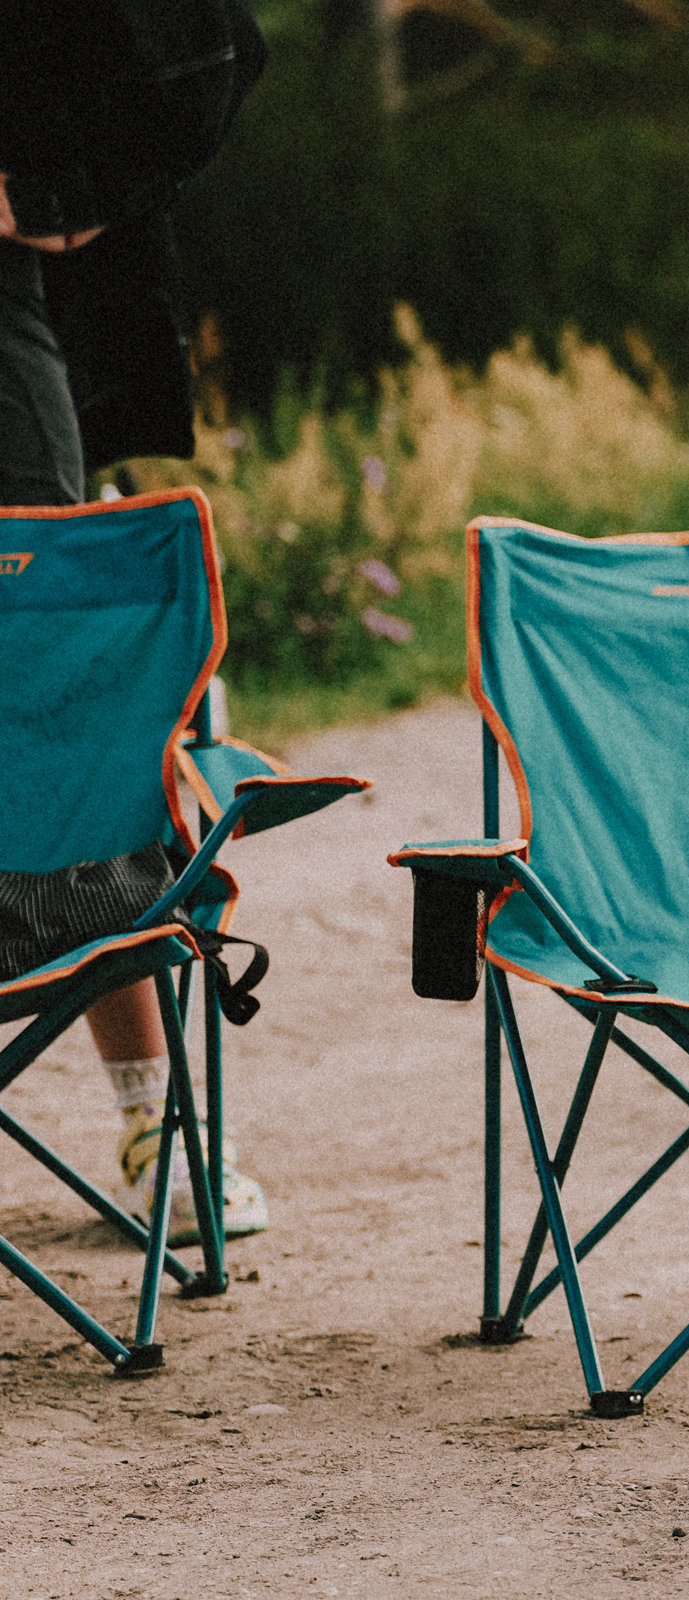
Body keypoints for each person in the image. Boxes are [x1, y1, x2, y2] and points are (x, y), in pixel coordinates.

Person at [0, 0, 268, 1247]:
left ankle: (154, 1115)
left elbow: (212, 48)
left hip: (18, 308)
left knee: (54, 676)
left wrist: (67, 186)